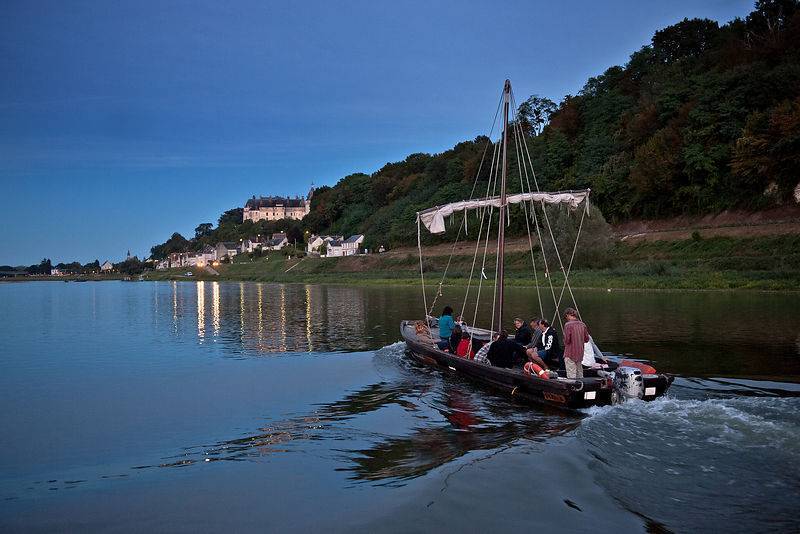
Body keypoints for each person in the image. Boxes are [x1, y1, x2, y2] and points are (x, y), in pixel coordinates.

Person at [563, 308, 590, 379]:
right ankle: (581, 388)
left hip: (570, 353)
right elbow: (587, 339)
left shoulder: (568, 325)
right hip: (580, 353)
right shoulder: (583, 324)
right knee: (580, 373)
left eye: (566, 317)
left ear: (568, 315)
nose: (566, 319)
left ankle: (572, 388)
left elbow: (567, 340)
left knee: (571, 374)